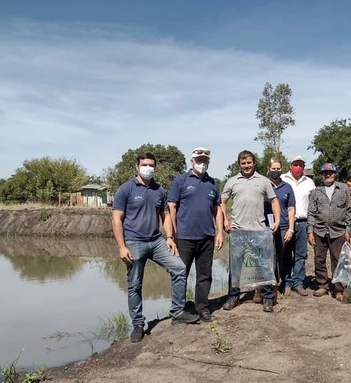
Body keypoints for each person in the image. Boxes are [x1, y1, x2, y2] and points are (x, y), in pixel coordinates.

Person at [112, 152, 199, 343]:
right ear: (137, 166)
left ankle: (178, 312)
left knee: (179, 268)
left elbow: (166, 216)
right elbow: (117, 219)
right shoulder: (125, 189)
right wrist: (121, 247)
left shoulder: (159, 190)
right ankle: (138, 324)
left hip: (156, 241)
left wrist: (169, 237)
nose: (148, 168)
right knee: (135, 284)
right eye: (144, 164)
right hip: (134, 242)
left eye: (151, 165)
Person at [168, 147, 224, 323]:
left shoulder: (213, 183)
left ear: (208, 162)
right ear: (191, 162)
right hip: (184, 238)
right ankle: (180, 309)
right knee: (180, 274)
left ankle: (202, 307)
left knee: (204, 275)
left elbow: (218, 209)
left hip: (207, 236)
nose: (201, 163)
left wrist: (220, 232)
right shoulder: (181, 181)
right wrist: (172, 235)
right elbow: (172, 208)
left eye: (204, 160)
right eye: (198, 160)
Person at [221, 150, 281, 312]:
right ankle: (233, 296)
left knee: (263, 265)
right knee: (235, 267)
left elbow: (274, 201)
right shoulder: (232, 181)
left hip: (259, 230)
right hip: (238, 231)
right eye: (243, 163)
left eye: (249, 163)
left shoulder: (263, 181)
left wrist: (277, 220)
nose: (246, 166)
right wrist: (225, 221)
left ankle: (268, 297)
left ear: (254, 163)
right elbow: (222, 202)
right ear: (239, 165)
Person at [307, 163, 351, 299]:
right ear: (321, 175)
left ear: (335, 174)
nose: (328, 175)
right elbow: (311, 212)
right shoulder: (316, 191)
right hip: (319, 230)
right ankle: (322, 285)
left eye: (330, 172)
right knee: (319, 259)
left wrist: (347, 230)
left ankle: (338, 288)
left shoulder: (343, 189)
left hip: (338, 230)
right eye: (325, 173)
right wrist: (310, 231)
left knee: (338, 260)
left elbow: (349, 211)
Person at [259, 158, 295, 301]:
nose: (276, 171)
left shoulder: (287, 187)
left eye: (278, 168)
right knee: (267, 259)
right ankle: (265, 288)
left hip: (283, 227)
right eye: (273, 168)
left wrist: (291, 228)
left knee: (281, 258)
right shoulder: (263, 185)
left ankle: (279, 286)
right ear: (268, 169)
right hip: (265, 228)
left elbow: (291, 208)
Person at [280, 156, 315, 296]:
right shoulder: (283, 179)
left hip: (302, 222)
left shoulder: (309, 182)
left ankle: (298, 282)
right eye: (296, 164)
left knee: (300, 254)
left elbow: (313, 204)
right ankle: (286, 282)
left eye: (301, 165)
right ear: (290, 166)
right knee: (285, 253)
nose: (298, 168)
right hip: (286, 222)